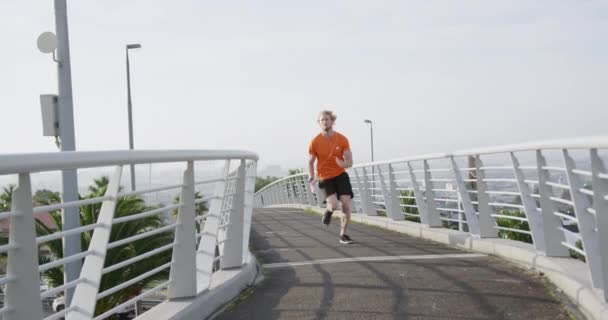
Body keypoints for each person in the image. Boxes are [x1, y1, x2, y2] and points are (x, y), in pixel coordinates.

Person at [308, 110, 355, 244]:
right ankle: (329, 211)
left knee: (345, 203)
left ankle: (343, 235)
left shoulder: (342, 139)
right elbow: (310, 162)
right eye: (322, 120)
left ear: (332, 121)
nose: (324, 122)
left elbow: (350, 162)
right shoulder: (315, 142)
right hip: (325, 177)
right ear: (319, 123)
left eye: (327, 119)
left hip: (340, 174)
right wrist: (311, 178)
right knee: (334, 204)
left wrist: (343, 163)